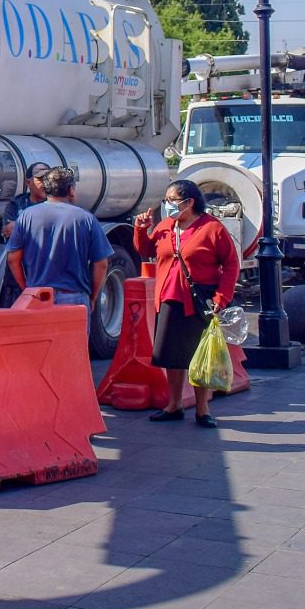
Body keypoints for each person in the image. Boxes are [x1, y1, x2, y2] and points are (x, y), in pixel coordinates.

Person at [133, 178, 239, 430]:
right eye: (166, 200)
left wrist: (221, 297)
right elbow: (146, 249)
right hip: (169, 298)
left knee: (198, 355)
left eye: (172, 200)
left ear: (189, 202)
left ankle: (203, 409)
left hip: (199, 300)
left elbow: (231, 264)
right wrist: (141, 229)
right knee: (171, 354)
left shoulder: (212, 228)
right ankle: (174, 404)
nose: (167, 205)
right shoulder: (166, 225)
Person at [4, 166, 112, 309]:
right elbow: (101, 264)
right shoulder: (86, 219)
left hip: (37, 297)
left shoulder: (26, 216)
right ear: (70, 191)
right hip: (74, 299)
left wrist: (27, 289)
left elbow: (13, 260)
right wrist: (93, 297)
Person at [1, 161, 50, 241]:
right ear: (28, 182)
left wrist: (20, 227)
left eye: (48, 179)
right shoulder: (15, 204)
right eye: (41, 180)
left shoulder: (56, 203)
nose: (46, 184)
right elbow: (10, 234)